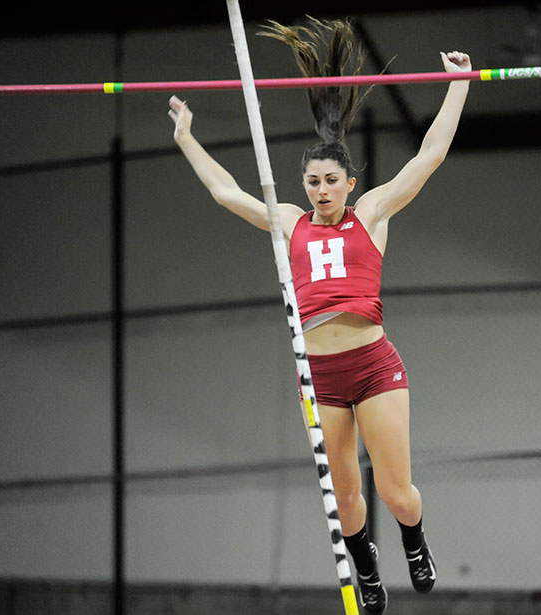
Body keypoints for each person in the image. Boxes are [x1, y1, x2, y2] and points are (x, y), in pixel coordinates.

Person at [167, 17, 469, 615]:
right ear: (303, 185)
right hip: (319, 377)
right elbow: (227, 193)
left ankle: (414, 540)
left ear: (350, 182)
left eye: (331, 181)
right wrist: (186, 139)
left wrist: (457, 85)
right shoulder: (289, 222)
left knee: (396, 493)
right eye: (313, 182)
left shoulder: (373, 212)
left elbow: (430, 155)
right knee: (347, 499)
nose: (322, 190)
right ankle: (367, 569)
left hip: (374, 365)